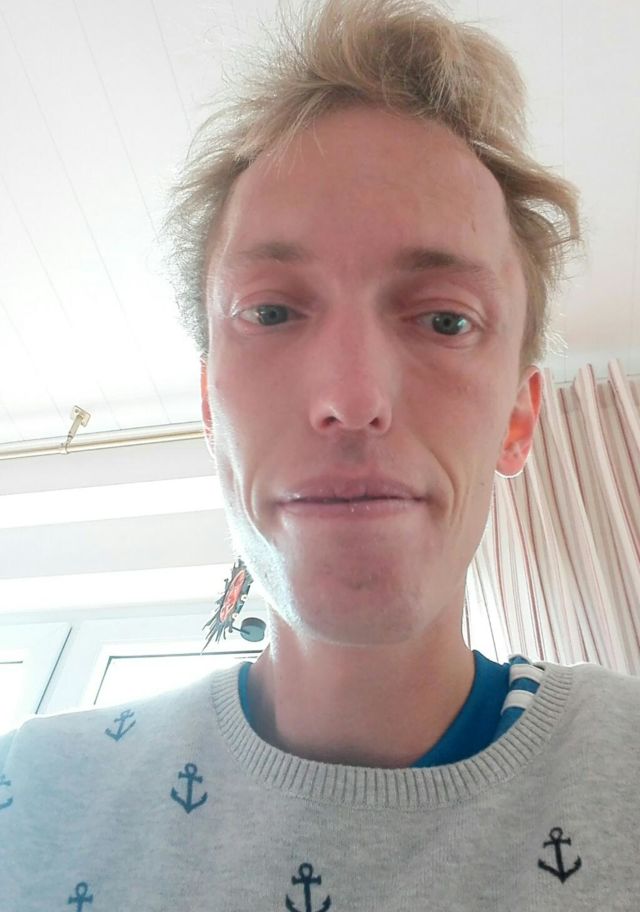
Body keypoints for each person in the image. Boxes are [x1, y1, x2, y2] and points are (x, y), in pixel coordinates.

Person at [1, 0, 639, 908]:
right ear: (210, 403)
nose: (352, 398)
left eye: (445, 319)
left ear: (517, 418)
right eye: (270, 311)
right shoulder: (30, 796)